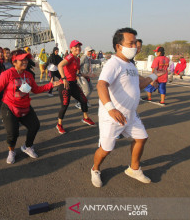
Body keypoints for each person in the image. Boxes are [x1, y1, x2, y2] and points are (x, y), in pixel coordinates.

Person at [90, 27, 166, 188]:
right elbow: (101, 85)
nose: (135, 47)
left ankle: (134, 168)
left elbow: (138, 84)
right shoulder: (113, 63)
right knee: (106, 149)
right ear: (119, 46)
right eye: (131, 43)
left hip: (130, 114)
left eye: (135, 43)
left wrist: (154, 76)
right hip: (112, 116)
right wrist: (111, 108)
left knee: (142, 138)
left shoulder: (130, 65)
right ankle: (95, 169)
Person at [0, 49, 61, 164]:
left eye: (26, 59)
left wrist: (51, 85)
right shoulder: (7, 74)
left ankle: (27, 146)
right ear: (14, 62)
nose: (25, 62)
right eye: (21, 60)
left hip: (25, 106)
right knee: (13, 133)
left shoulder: (28, 75)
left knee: (35, 126)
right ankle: (11, 151)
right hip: (9, 107)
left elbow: (36, 89)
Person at [56, 40, 96, 135]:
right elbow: (60, 65)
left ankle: (85, 118)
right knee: (65, 105)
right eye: (75, 47)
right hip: (65, 84)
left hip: (73, 83)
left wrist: (87, 75)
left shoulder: (77, 59)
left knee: (84, 100)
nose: (78, 48)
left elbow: (77, 73)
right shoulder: (70, 57)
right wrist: (64, 78)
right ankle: (59, 124)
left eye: (79, 46)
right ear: (71, 49)